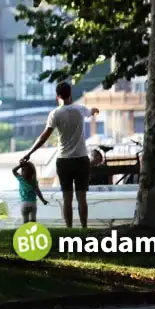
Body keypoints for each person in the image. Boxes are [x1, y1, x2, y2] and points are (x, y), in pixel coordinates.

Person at [20, 82, 99, 228]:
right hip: (81, 159)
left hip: (64, 161)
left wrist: (30, 152)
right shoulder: (80, 110)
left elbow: (43, 137)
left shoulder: (55, 114)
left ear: (58, 96)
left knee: (67, 198)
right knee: (82, 198)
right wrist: (94, 110)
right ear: (70, 93)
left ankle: (69, 228)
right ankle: (84, 228)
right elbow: (91, 111)